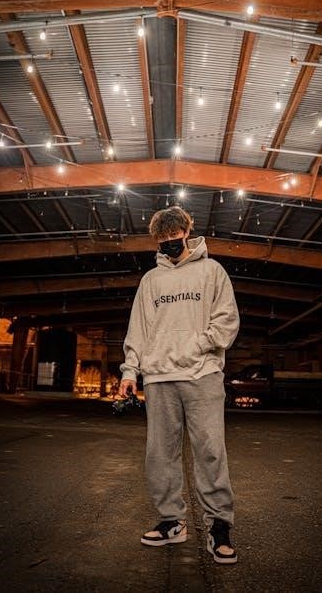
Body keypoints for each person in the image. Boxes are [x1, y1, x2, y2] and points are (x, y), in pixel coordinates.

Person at [119, 206, 240, 564]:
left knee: (210, 451)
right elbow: (138, 328)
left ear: (187, 232)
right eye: (163, 239)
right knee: (160, 454)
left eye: (174, 236)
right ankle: (172, 521)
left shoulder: (212, 271)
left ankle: (219, 526)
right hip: (159, 378)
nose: (169, 242)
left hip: (203, 375)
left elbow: (227, 320)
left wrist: (198, 345)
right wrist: (130, 372)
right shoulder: (151, 280)